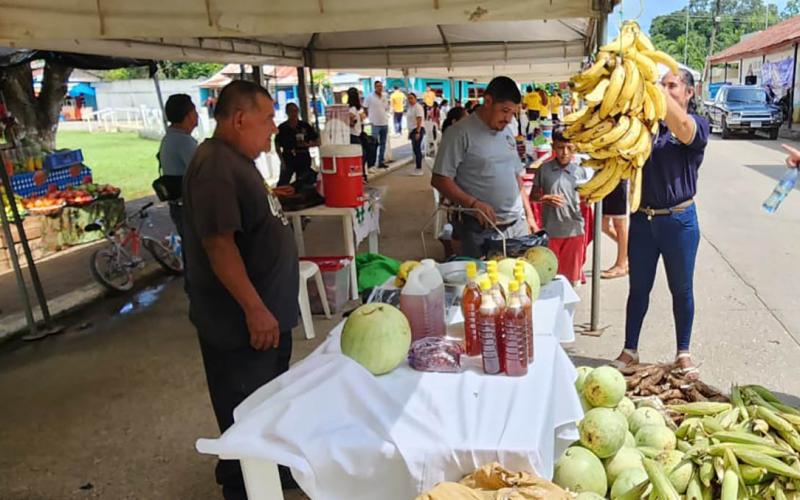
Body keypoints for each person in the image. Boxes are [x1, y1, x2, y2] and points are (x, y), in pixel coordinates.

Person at [182, 80, 300, 498]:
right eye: (267, 118)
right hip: (241, 326)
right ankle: (242, 486)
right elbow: (219, 244)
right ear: (239, 118)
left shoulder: (236, 160)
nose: (273, 126)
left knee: (265, 406)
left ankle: (272, 474)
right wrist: (255, 308)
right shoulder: (215, 166)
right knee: (243, 413)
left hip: (265, 320)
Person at [613, 69, 710, 378]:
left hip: (679, 221)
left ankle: (683, 351)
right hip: (642, 219)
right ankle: (630, 349)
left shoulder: (696, 127)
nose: (665, 90)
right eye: (661, 85)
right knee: (638, 288)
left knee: (681, 290)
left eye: (672, 85)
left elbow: (682, 125)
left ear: (689, 93)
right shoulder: (645, 127)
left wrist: (656, 92)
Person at [431, 76, 538, 258]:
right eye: (504, 111)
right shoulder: (459, 133)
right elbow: (440, 179)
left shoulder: (507, 132)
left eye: (512, 113)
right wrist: (474, 204)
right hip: (480, 230)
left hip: (516, 226)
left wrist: (530, 217)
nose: (508, 119)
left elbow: (516, 177)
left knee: (518, 281)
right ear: (487, 101)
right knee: (483, 283)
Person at [530, 129, 588, 286]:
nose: (565, 153)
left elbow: (588, 200)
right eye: (561, 148)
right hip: (551, 232)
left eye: (569, 148)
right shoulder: (544, 169)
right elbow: (533, 196)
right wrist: (544, 198)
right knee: (550, 278)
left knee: (571, 281)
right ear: (553, 146)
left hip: (574, 231)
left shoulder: (580, 171)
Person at [158, 93, 198, 237]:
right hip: (188, 208)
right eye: (194, 111)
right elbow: (203, 171)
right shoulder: (183, 141)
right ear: (188, 116)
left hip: (178, 206)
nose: (197, 115)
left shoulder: (169, 138)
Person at [274, 102, 319, 187]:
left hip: (303, 155)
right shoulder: (282, 127)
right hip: (288, 156)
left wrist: (308, 144)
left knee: (303, 181)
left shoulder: (304, 126)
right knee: (283, 181)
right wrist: (281, 161)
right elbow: (277, 145)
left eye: (296, 111)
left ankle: (302, 196)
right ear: (287, 112)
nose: (294, 113)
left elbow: (317, 141)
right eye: (291, 111)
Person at [600, 181, 629, 279]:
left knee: (619, 223)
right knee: (602, 224)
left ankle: (621, 265)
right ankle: (629, 250)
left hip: (618, 178)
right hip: (603, 179)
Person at [363, 80, 390, 168]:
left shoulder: (385, 96)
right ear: (375, 87)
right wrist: (369, 117)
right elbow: (365, 108)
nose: (380, 87)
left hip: (384, 123)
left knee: (383, 143)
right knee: (372, 144)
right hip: (374, 123)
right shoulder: (369, 97)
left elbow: (386, 108)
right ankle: (371, 163)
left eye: (381, 86)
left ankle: (381, 161)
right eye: (378, 86)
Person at [347, 87, 369, 180]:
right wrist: (354, 121)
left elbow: (363, 117)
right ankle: (361, 175)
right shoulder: (352, 109)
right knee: (361, 155)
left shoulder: (356, 108)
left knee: (362, 155)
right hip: (354, 134)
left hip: (357, 134)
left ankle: (362, 174)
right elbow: (351, 122)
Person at [407, 93, 426, 176]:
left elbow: (419, 119)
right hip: (412, 130)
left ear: (415, 98)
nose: (410, 100)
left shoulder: (418, 107)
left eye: (411, 98)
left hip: (417, 129)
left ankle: (419, 168)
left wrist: (418, 131)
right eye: (409, 98)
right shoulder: (410, 108)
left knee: (417, 148)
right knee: (415, 149)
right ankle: (417, 167)